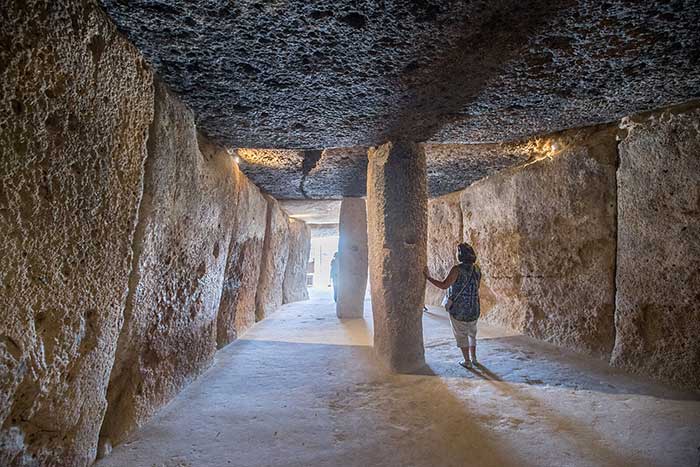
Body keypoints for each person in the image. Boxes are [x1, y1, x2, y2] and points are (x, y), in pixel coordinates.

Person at [424, 243, 482, 369]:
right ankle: (474, 358)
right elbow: (477, 287)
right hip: (474, 307)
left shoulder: (457, 269)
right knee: (472, 333)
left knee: (461, 335)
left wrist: (428, 278)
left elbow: (444, 285)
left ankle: (467, 361)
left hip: (459, 309)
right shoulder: (477, 269)